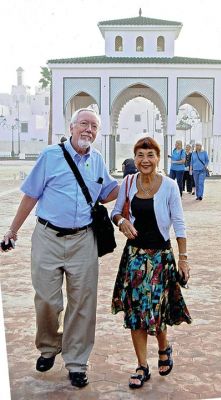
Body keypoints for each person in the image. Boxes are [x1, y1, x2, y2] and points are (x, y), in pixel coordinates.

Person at [0, 108, 119, 388]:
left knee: (83, 302)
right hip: (48, 237)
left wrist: (132, 182)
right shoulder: (50, 156)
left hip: (83, 240)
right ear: (72, 127)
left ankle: (77, 361)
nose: (88, 130)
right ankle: (49, 346)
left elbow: (108, 192)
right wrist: (12, 231)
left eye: (94, 126)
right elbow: (31, 196)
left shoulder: (97, 160)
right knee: (47, 300)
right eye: (84, 124)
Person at [111, 137, 192, 389]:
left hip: (160, 258)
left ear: (158, 158)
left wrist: (183, 258)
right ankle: (142, 366)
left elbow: (178, 223)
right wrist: (121, 221)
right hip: (134, 258)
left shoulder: (168, 186)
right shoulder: (127, 182)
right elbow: (115, 211)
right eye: (140, 155)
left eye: (150, 155)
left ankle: (164, 347)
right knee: (136, 313)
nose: (145, 160)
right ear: (134, 158)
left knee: (155, 311)